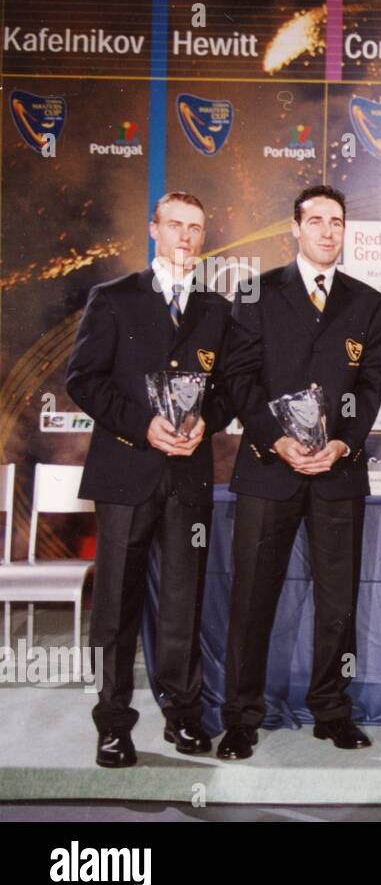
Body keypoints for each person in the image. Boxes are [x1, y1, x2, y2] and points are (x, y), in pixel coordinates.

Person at [217, 185, 381, 760]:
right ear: (295, 228)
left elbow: (373, 383)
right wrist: (277, 440)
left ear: (345, 229)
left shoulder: (368, 301)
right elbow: (238, 378)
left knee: (338, 599)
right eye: (315, 221)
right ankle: (241, 716)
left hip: (338, 473)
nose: (326, 231)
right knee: (252, 597)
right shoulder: (255, 292)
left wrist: (341, 442)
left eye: (335, 222)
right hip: (269, 470)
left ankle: (332, 710)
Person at [67, 191, 234, 767]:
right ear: (153, 230)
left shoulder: (217, 308)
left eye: (196, 227)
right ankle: (113, 725)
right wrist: (145, 426)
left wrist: (209, 418)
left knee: (183, 602)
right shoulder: (112, 299)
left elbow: (230, 388)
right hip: (124, 472)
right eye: (176, 225)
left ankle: (183, 717)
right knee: (114, 606)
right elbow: (83, 380)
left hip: (189, 475)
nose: (186, 236)